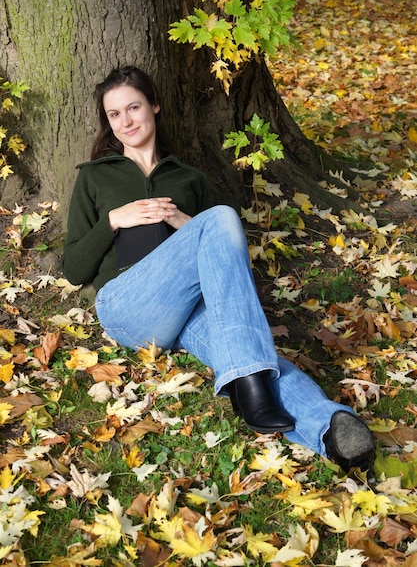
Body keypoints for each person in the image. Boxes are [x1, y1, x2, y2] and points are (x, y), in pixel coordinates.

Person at [63, 65, 375, 473]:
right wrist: (113, 220)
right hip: (126, 307)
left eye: (134, 107)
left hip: (187, 312)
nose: (126, 121)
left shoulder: (188, 178)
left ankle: (331, 429)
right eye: (115, 114)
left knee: (247, 350)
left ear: (154, 106)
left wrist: (184, 224)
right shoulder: (94, 178)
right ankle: (252, 389)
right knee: (222, 218)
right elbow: (73, 269)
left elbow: (224, 258)